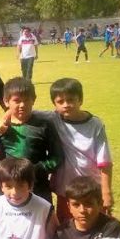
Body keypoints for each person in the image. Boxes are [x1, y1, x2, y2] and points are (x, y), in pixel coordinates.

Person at [47, 78, 113, 221]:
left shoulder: (95, 124)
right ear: (54, 104)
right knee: (67, 225)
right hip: (66, 188)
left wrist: (106, 192)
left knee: (95, 224)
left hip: (91, 187)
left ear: (80, 100)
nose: (66, 105)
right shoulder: (54, 119)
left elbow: (105, 161)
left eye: (71, 100)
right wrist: (6, 116)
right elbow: (28, 111)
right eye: (60, 102)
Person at [0, 77, 64, 205]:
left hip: (38, 187)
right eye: (16, 101)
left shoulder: (44, 124)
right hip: (9, 188)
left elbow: (57, 156)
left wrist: (38, 169)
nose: (22, 105)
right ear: (6, 101)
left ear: (33, 100)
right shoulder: (1, 128)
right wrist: (2, 171)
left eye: (26, 100)